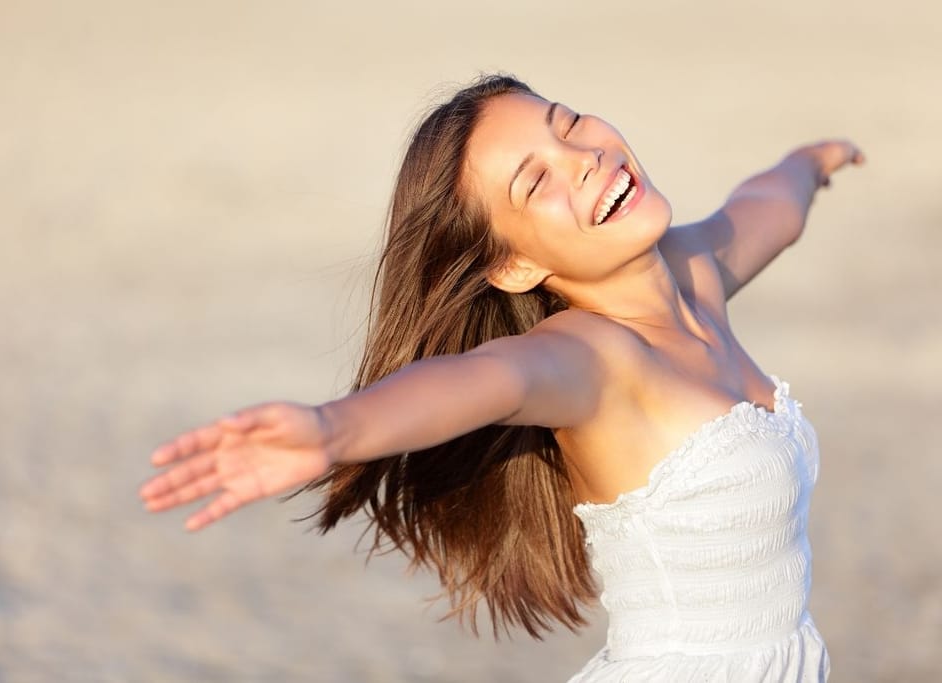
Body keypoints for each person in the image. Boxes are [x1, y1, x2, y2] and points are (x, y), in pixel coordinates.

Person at [139, 74, 863, 681]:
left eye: (568, 123)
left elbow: (770, 208)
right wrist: (336, 428)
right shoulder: (588, 359)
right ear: (515, 266)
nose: (583, 155)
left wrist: (813, 159)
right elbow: (482, 378)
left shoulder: (697, 269)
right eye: (535, 179)